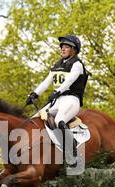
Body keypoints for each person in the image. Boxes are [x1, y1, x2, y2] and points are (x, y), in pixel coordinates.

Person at [25, 34, 89, 164]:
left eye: (66, 47)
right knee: (34, 118)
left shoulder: (77, 64)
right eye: (62, 47)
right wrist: (34, 94)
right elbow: (46, 82)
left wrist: (57, 91)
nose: (63, 49)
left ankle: (73, 151)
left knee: (59, 120)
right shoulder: (57, 64)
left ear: (74, 50)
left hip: (71, 100)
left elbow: (69, 81)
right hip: (57, 101)